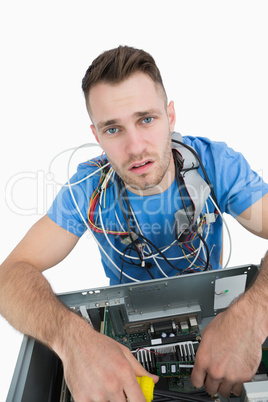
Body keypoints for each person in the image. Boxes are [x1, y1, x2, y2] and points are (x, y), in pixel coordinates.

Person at [0, 45, 267, 400]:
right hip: (125, 343)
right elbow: (10, 275)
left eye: (146, 119)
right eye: (113, 129)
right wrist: (73, 341)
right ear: (96, 136)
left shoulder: (215, 166)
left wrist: (252, 317)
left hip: (217, 332)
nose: (135, 147)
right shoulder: (88, 191)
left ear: (170, 116)